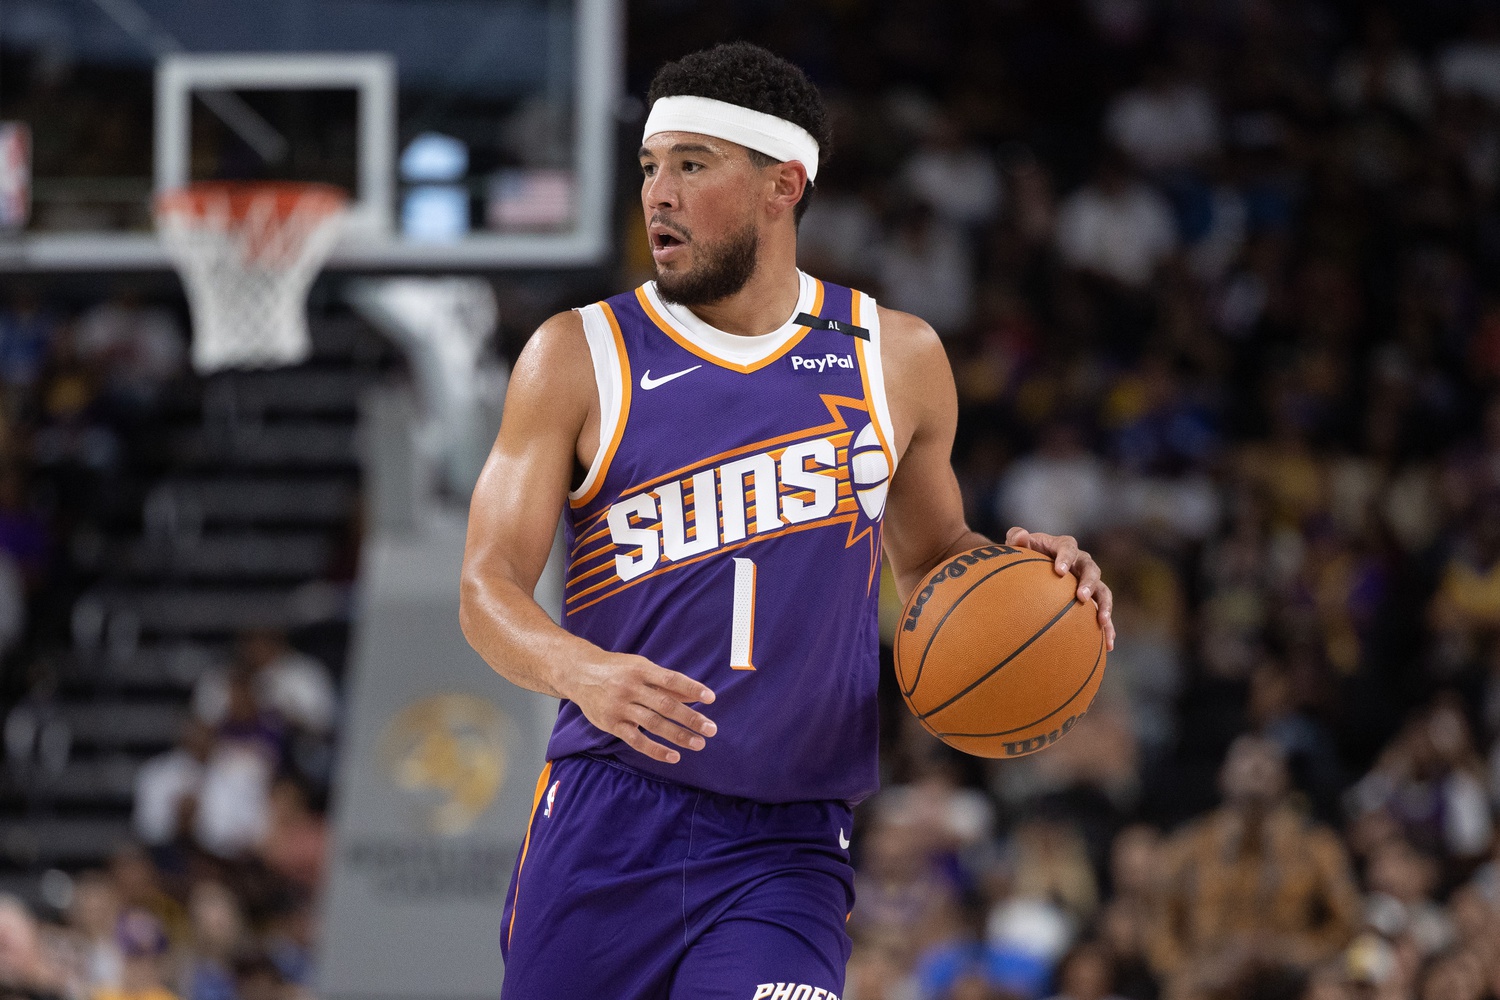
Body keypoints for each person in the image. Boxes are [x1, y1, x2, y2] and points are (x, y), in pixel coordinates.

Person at [459, 42, 1114, 1000]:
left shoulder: (894, 358)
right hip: (608, 820)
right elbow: (485, 587)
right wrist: (578, 670)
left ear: (783, 184)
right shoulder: (577, 355)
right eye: (650, 166)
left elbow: (934, 558)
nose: (658, 194)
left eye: (693, 164)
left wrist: (1024, 581)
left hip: (788, 841)